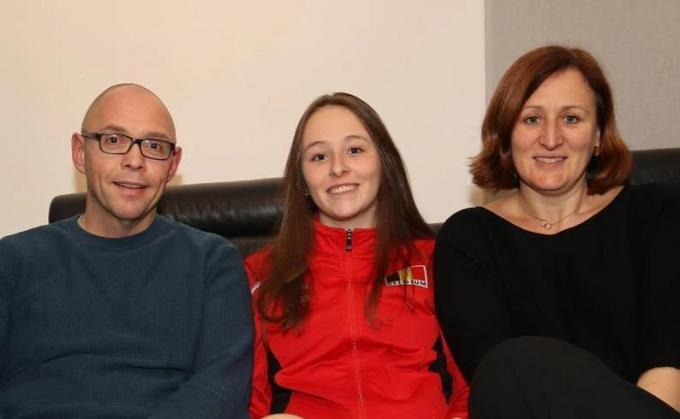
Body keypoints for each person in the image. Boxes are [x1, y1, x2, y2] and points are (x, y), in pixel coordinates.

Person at [434, 45, 680, 418]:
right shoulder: (468, 240)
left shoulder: (656, 214)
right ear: (506, 135)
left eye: (571, 118)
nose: (551, 139)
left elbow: (668, 363)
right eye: (531, 119)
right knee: (512, 363)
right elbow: (501, 385)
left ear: (598, 134)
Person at [0, 84, 253, 418]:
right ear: (80, 152)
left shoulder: (213, 262)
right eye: (114, 140)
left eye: (154, 145)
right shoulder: (13, 260)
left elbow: (222, 387)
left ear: (172, 165)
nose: (135, 161)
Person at [245, 92, 469, 419]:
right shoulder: (261, 273)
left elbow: (468, 387)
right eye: (319, 156)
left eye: (354, 150)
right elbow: (250, 399)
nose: (338, 168)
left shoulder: (436, 261)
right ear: (303, 180)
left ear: (384, 162)